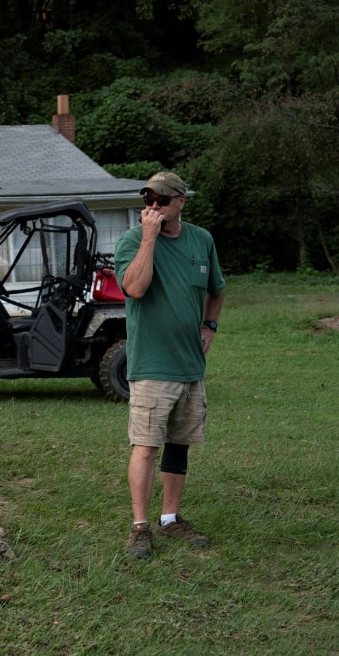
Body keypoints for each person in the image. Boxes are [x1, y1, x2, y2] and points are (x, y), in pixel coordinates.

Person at [113, 171, 226, 559]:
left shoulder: (201, 240)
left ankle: (170, 518)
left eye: (161, 200)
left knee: (180, 445)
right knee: (145, 447)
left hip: (190, 366)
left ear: (181, 201)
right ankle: (140, 527)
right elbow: (135, 288)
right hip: (151, 365)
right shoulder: (132, 240)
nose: (153, 207)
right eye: (148, 200)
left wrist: (210, 324)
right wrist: (148, 238)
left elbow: (217, 288)